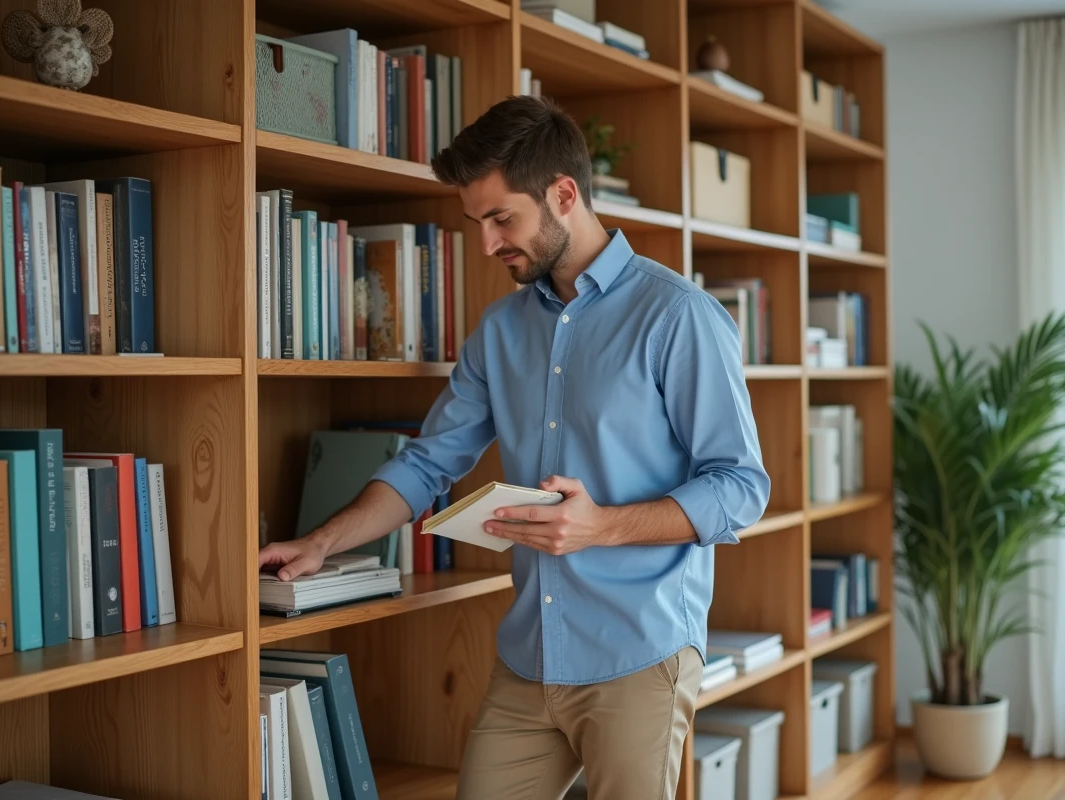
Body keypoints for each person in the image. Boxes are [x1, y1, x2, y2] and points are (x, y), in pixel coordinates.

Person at [257, 95, 770, 799]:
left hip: (640, 653)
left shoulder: (678, 316)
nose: (488, 243)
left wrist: (601, 527)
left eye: (503, 218)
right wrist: (322, 543)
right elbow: (427, 462)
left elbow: (741, 487)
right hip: (529, 658)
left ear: (564, 194)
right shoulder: (499, 331)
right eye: (477, 222)